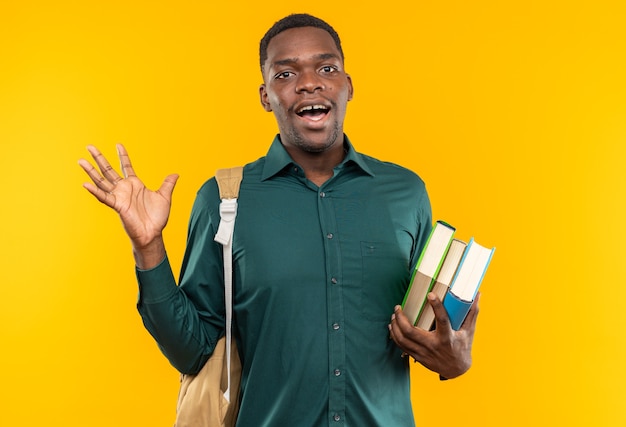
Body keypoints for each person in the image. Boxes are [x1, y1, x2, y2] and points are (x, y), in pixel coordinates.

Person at [79, 13, 479, 426]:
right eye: (285, 73)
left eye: (327, 68)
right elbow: (192, 351)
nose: (309, 82)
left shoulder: (406, 194)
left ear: (348, 86)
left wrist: (456, 360)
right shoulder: (222, 199)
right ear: (266, 96)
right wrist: (148, 247)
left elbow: (430, 335)